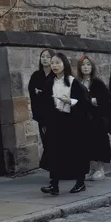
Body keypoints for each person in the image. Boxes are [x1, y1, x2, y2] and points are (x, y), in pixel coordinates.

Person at [40, 53, 90, 195]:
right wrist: (45, 120)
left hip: (72, 122)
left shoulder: (73, 82)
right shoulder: (49, 82)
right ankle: (53, 184)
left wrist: (71, 102)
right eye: (53, 63)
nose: (54, 66)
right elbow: (44, 103)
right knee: (54, 152)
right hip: (56, 121)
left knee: (75, 153)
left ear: (64, 64)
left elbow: (84, 102)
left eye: (58, 63)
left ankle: (80, 182)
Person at [78, 55, 111, 181]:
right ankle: (92, 169)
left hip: (98, 119)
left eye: (88, 65)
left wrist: (96, 100)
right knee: (87, 145)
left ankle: (100, 169)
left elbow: (106, 101)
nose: (85, 67)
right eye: (83, 65)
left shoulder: (97, 83)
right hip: (84, 120)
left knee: (99, 144)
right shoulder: (78, 83)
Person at [28, 49, 54, 147]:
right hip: (42, 116)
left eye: (48, 57)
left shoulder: (55, 75)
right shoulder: (36, 76)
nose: (45, 59)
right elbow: (33, 97)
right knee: (46, 143)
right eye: (43, 56)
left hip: (55, 116)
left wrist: (42, 93)